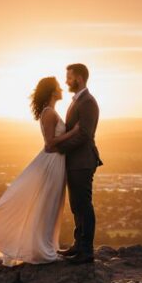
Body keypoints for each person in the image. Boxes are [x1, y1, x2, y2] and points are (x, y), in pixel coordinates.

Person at [0, 76, 81, 266]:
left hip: (56, 162)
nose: (62, 90)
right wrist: (74, 132)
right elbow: (49, 143)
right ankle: (42, 250)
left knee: (52, 205)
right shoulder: (48, 113)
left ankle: (45, 246)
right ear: (52, 91)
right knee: (48, 204)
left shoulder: (51, 112)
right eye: (58, 87)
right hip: (52, 162)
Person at [46, 63, 103, 265]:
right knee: (76, 206)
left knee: (83, 206)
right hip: (75, 161)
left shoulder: (87, 102)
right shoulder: (78, 101)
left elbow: (85, 135)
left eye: (69, 77)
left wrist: (60, 148)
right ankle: (79, 244)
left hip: (83, 161)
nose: (66, 81)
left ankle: (86, 251)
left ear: (78, 78)